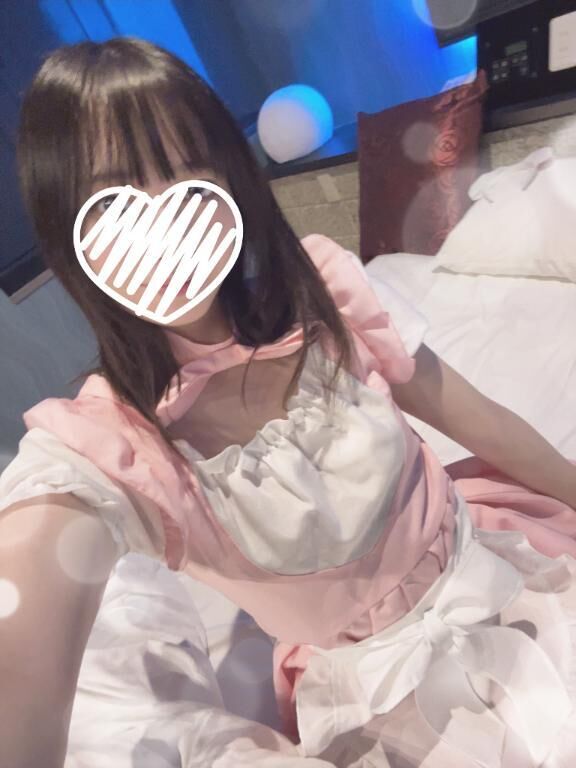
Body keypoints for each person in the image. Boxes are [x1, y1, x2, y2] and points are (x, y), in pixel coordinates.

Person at [1, 36, 576, 768]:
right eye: (114, 200)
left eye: (188, 175)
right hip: (383, 702)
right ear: (69, 232)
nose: (162, 222)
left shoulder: (327, 294)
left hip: (502, 569)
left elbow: (475, 416)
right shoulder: (111, 448)